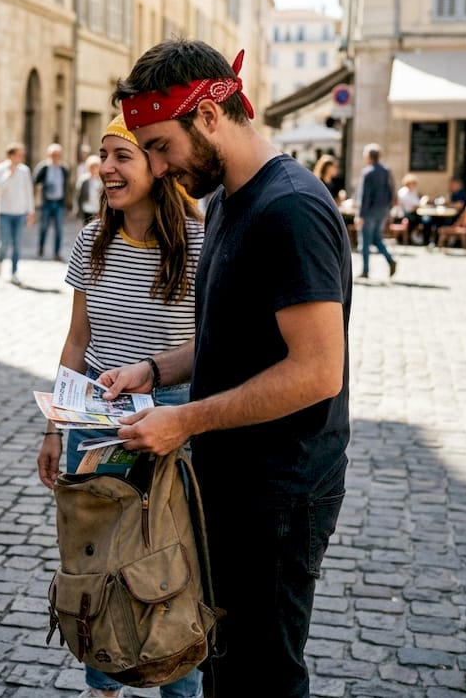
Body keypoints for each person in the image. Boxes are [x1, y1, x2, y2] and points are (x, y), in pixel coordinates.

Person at [102, 38, 352, 698]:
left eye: (160, 145)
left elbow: (317, 371)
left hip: (279, 492)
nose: (154, 166)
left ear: (210, 116)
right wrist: (154, 371)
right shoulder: (225, 199)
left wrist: (185, 418)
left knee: (262, 676)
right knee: (225, 664)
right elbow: (232, 338)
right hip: (231, 484)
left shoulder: (289, 209)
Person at [36, 115, 206, 698]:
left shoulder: (199, 241)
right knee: (97, 558)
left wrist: (158, 384)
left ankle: (178, 683)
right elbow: (78, 338)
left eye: (122, 156)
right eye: (103, 156)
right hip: (96, 418)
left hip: (174, 420)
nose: (106, 168)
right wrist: (54, 427)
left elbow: (208, 340)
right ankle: (100, 682)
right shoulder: (91, 239)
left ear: (158, 168)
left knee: (171, 560)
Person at [0, 143, 35, 285]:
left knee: (17, 244)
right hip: (4, 212)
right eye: (19, 154)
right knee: (4, 242)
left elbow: (28, 192)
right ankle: (0, 261)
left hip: (20, 213)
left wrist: (31, 212)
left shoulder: (25, 171)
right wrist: (9, 174)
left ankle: (14, 272)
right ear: (11, 155)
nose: (21, 157)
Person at [355, 143, 396, 279]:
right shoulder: (386, 170)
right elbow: (391, 190)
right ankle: (390, 260)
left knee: (365, 241)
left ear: (368, 156)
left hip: (370, 211)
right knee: (377, 238)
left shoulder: (368, 172)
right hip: (383, 210)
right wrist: (389, 209)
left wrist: (360, 215)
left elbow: (364, 196)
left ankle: (365, 270)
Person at [33, 144, 72, 260]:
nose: (56, 157)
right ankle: (41, 247)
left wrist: (68, 203)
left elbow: (67, 186)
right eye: (53, 155)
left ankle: (56, 252)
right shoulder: (44, 167)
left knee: (59, 229)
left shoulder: (64, 169)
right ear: (49, 155)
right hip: (47, 202)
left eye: (58, 155)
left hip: (59, 202)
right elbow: (35, 181)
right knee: (44, 227)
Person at [75, 155, 103, 223]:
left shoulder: (102, 180)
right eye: (92, 166)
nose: (94, 168)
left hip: (98, 209)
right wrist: (76, 209)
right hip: (87, 208)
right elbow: (78, 195)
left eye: (96, 166)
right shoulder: (83, 179)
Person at [396, 173, 422, 244]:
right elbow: (413, 205)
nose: (413, 185)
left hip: (412, 212)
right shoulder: (403, 192)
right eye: (412, 183)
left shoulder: (413, 192)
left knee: (426, 219)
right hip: (404, 214)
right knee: (422, 220)